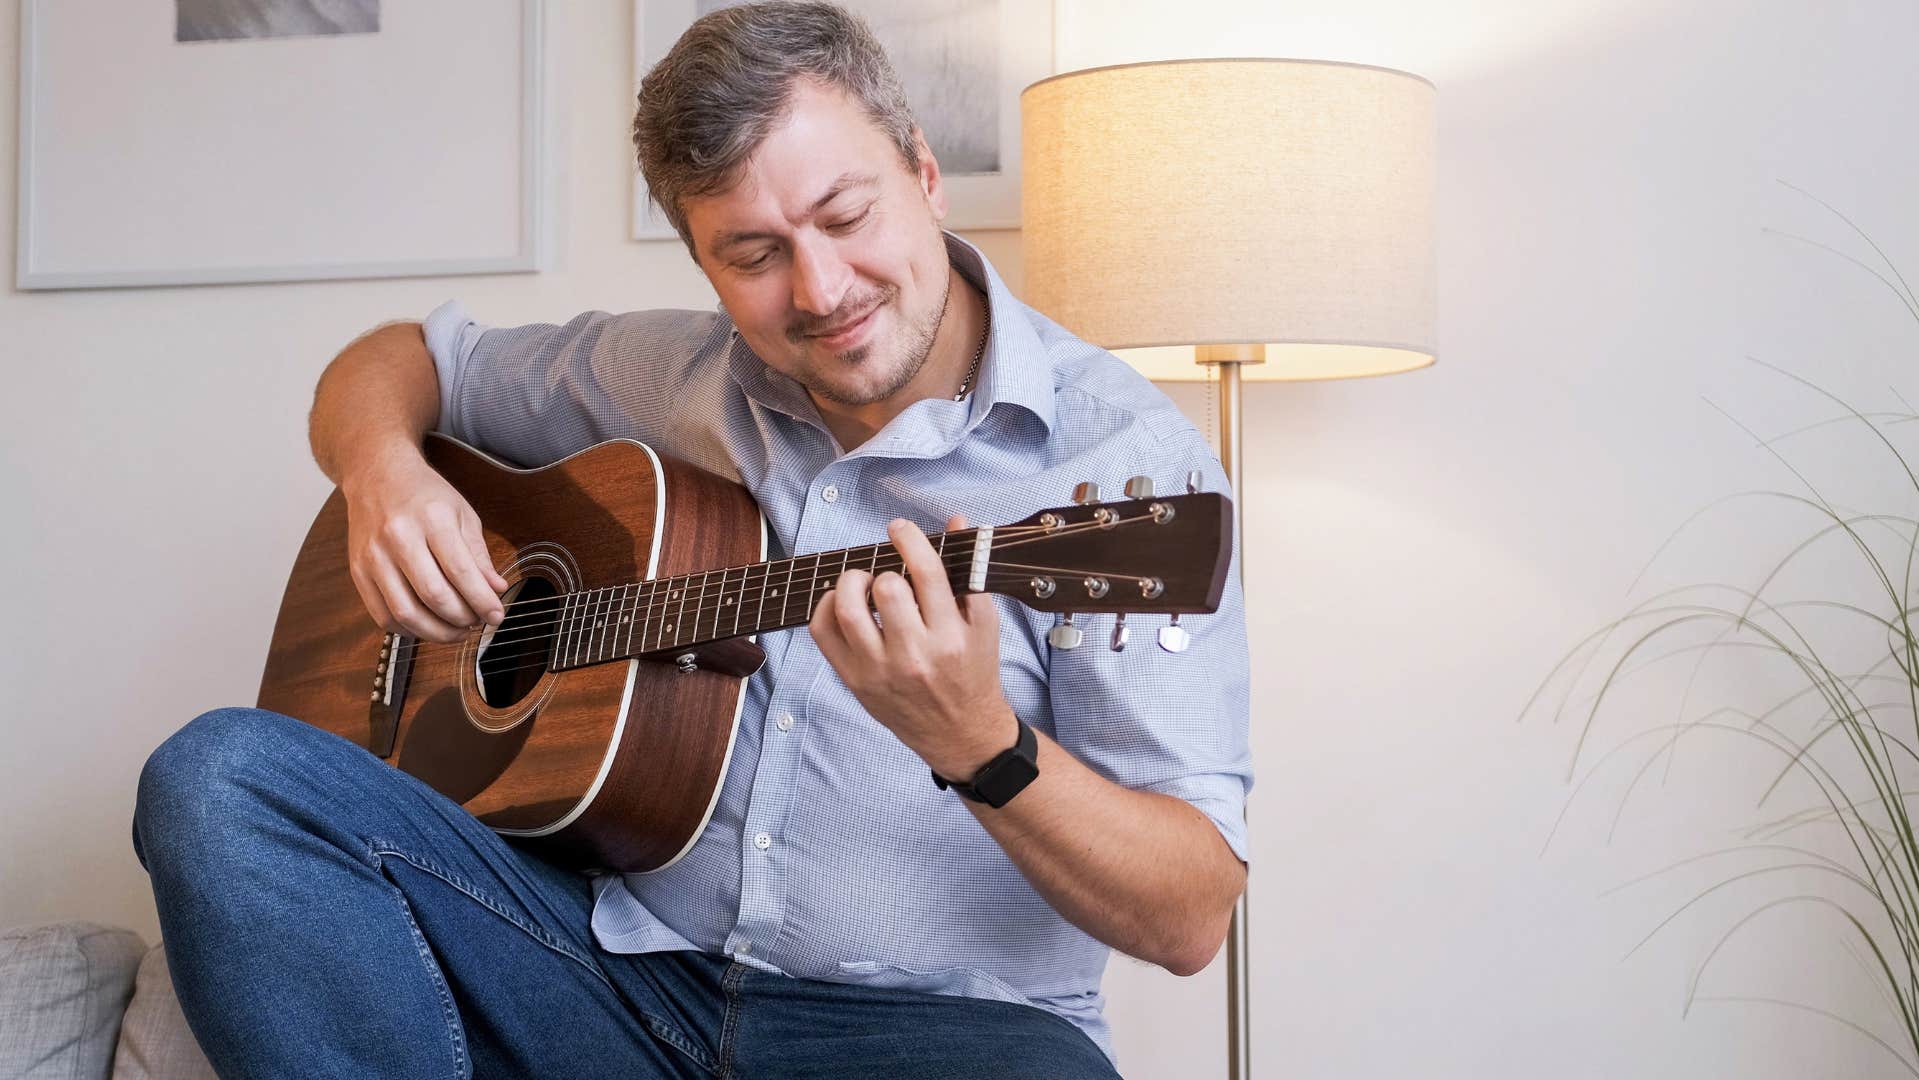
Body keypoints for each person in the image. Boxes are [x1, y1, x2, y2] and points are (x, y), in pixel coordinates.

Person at [133, 3, 1250, 1077]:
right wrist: (381, 470)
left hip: (932, 1033)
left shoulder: (1122, 475)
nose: (821, 289)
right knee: (219, 776)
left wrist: (984, 746)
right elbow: (403, 358)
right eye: (753, 254)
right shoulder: (672, 374)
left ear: (921, 170)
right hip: (613, 978)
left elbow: (1191, 913)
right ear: (702, 262)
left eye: (847, 216)